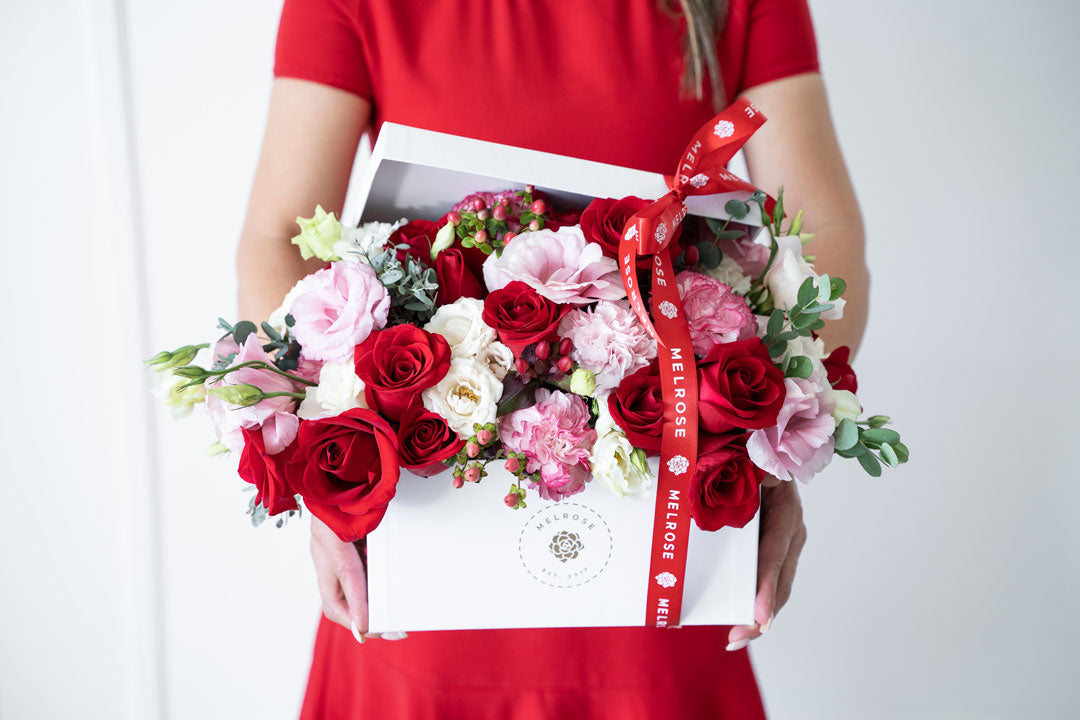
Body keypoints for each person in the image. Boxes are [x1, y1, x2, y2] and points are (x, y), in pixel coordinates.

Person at [237, 1, 867, 717]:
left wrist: (783, 430)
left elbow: (822, 234)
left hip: (658, 572)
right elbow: (277, 237)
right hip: (427, 587)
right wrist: (321, 439)